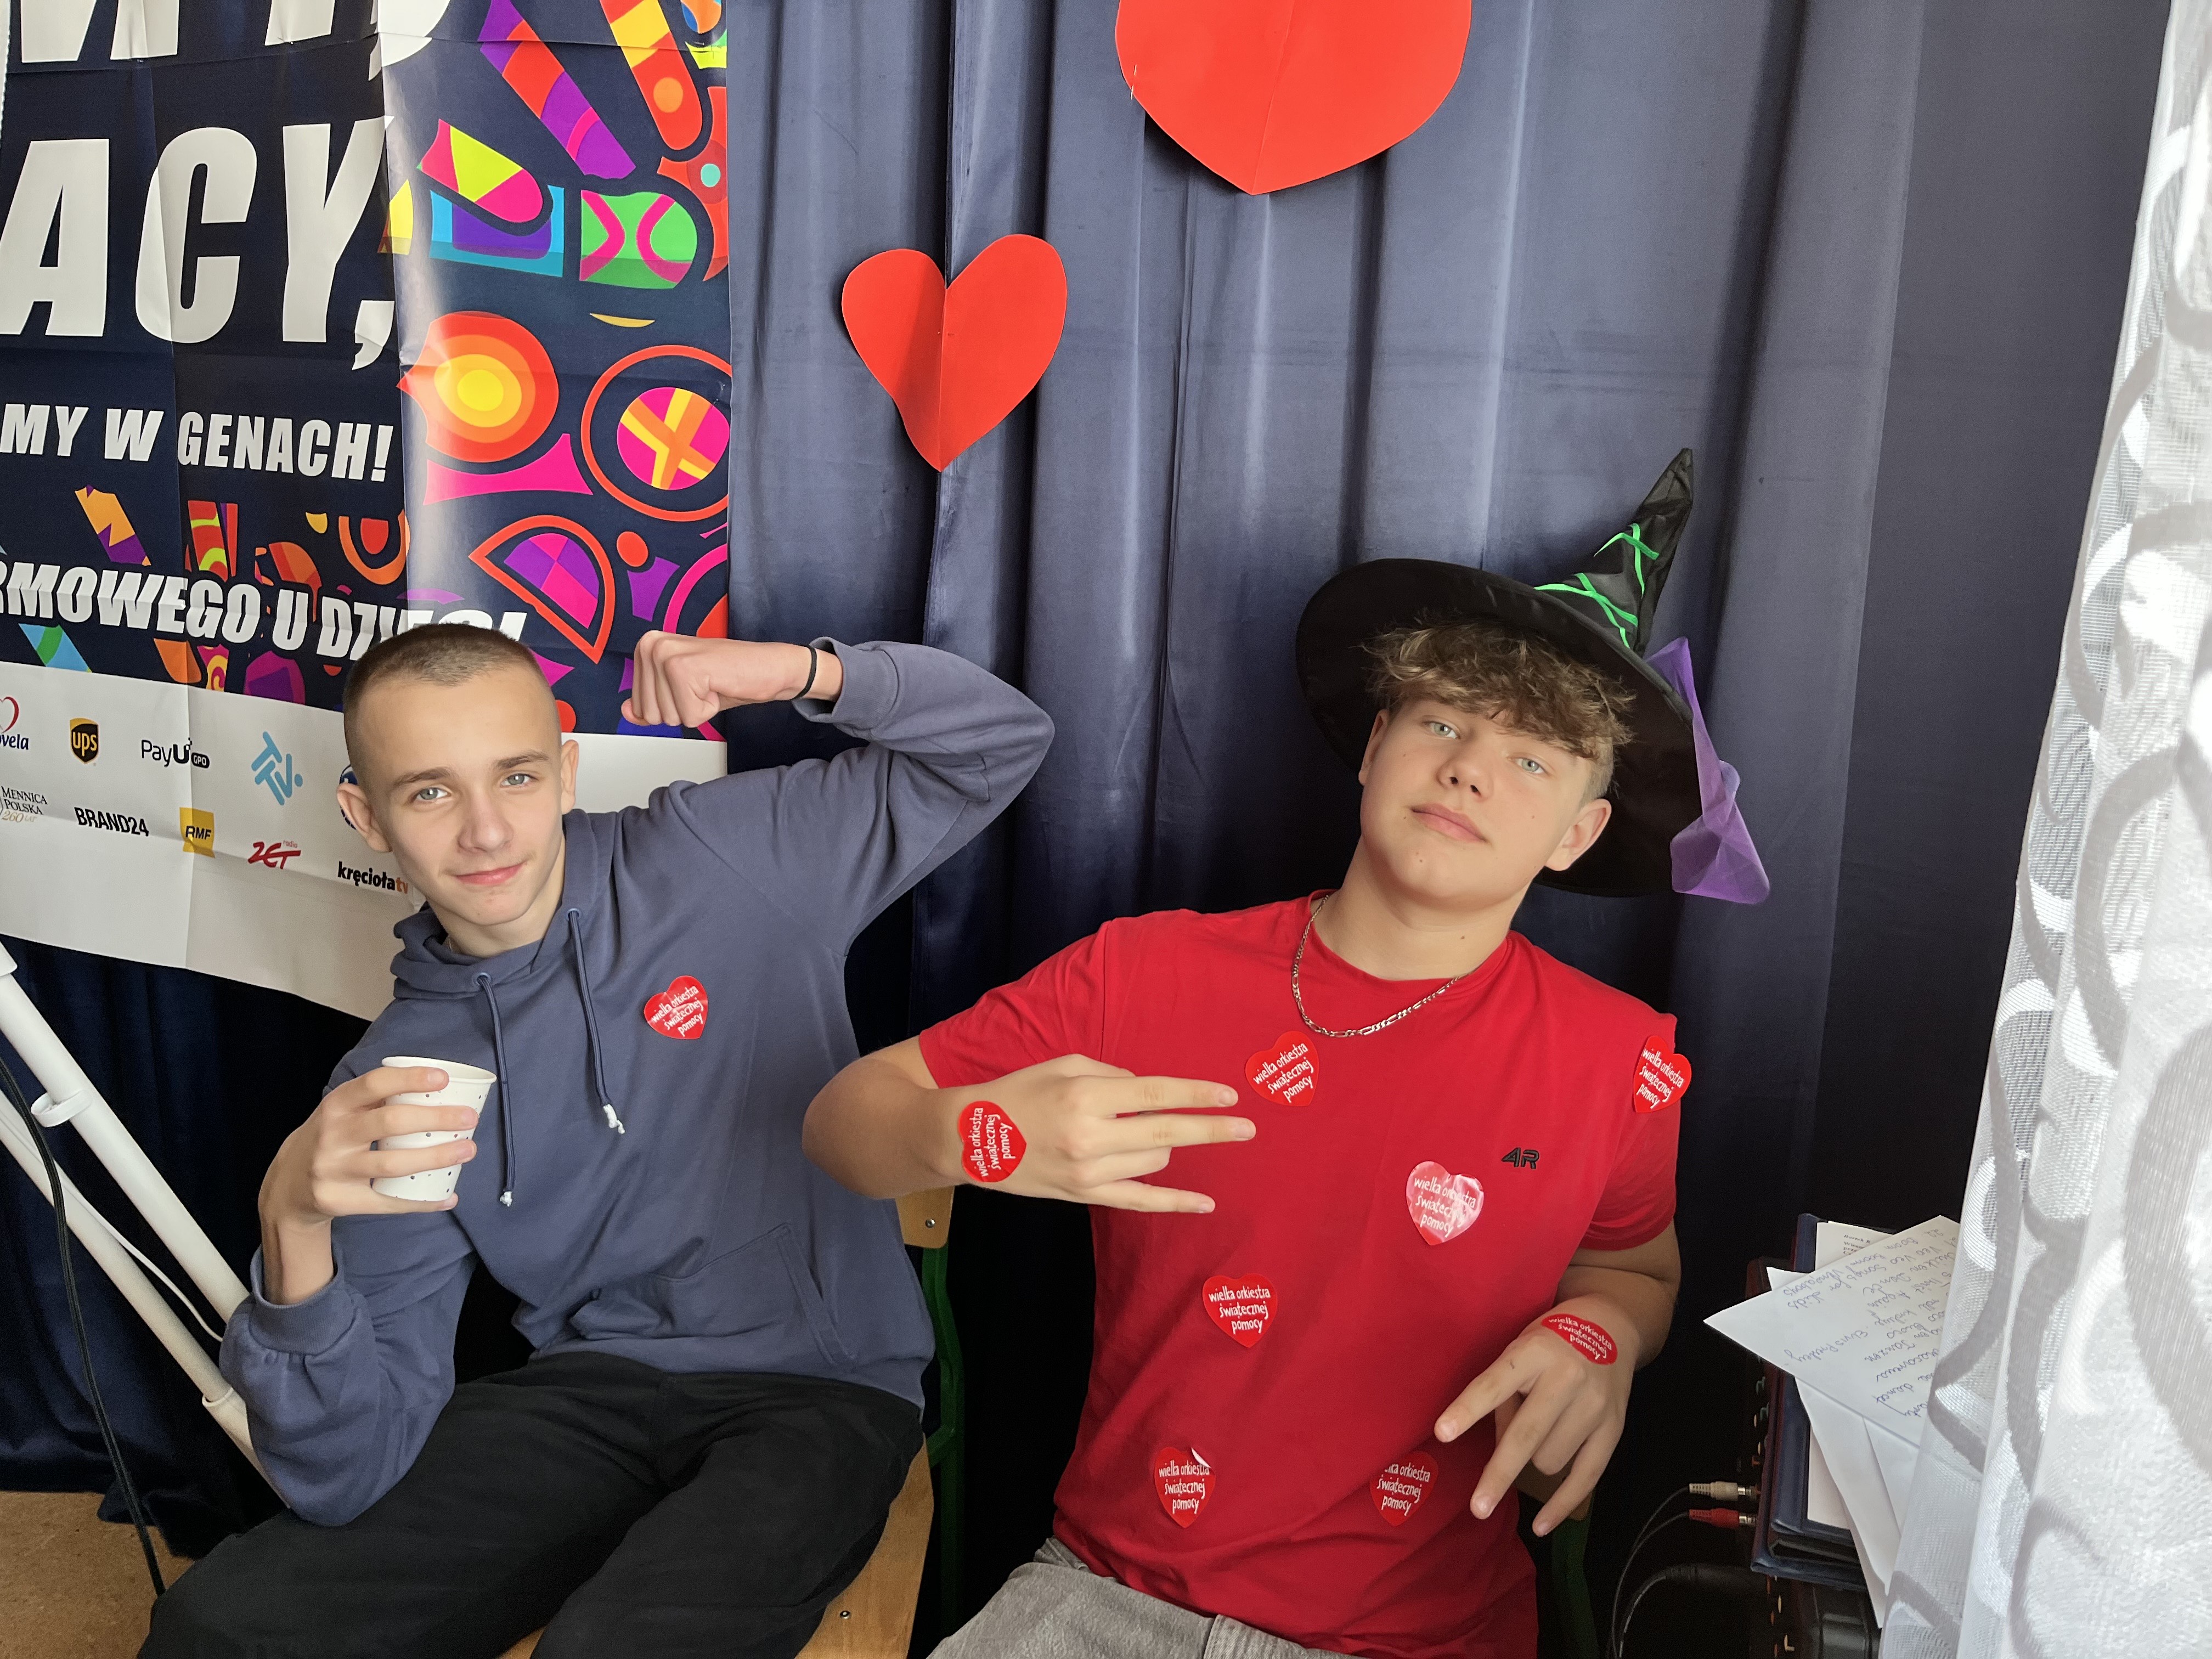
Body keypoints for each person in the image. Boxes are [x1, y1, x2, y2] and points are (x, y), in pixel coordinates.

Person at [804, 454, 1762, 1658]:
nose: (1469, 765)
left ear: (1579, 834)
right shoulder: (1147, 973)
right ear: (1375, 746)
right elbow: (844, 1119)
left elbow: (1635, 1271)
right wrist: (977, 1134)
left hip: (1422, 1638)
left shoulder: (1620, 1060)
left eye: (1532, 758)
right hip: (1106, 1599)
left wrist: (1600, 1338)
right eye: (1443, 720)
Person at [143, 622, 1053, 1659]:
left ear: (567, 772)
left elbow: (1003, 742)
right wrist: (291, 1229)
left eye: (517, 777)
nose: (488, 832)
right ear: (369, 818)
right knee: (221, 1628)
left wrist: (805, 671)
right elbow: (349, 1473)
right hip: (589, 1394)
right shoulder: (399, 1081)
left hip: (819, 1390)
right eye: (431, 793)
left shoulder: (718, 857)